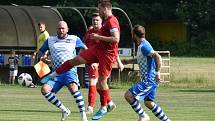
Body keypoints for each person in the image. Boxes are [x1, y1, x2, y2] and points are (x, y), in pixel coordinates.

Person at [44, 1, 121, 120]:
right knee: (75, 60)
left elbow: (116, 39)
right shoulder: (104, 22)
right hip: (97, 49)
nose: (99, 11)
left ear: (105, 8)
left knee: (101, 83)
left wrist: (98, 37)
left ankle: (105, 106)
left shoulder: (112, 21)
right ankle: (54, 74)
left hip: (107, 54)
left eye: (100, 9)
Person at [39, 21, 88, 121]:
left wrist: (78, 58)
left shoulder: (74, 39)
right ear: (56, 29)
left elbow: (85, 48)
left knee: (73, 88)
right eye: (59, 28)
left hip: (70, 71)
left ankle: (83, 116)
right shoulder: (50, 40)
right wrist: (44, 59)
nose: (61, 30)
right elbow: (40, 52)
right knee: (45, 89)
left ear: (67, 29)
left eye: (63, 28)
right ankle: (65, 110)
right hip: (56, 72)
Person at [123, 25, 171, 121]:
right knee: (149, 103)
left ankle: (143, 116)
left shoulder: (144, 46)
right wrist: (128, 61)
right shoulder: (142, 45)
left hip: (149, 80)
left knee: (128, 95)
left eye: (132, 34)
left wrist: (158, 72)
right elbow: (142, 59)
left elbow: (157, 57)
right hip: (150, 80)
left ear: (135, 35)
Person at [83, 13, 124, 115]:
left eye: (97, 20)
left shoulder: (104, 33)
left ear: (101, 22)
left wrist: (119, 62)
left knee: (93, 82)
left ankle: (90, 107)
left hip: (100, 62)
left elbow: (113, 49)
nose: (95, 22)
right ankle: (110, 102)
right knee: (98, 86)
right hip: (90, 61)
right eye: (94, 20)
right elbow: (85, 46)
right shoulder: (89, 33)